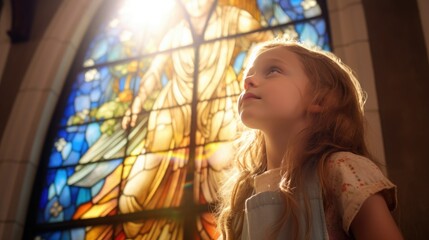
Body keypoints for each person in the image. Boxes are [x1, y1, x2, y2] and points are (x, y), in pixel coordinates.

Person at [216, 39, 403, 240]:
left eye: (272, 70)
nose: (248, 81)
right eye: (248, 74)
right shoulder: (243, 198)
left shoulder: (342, 170)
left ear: (320, 99)